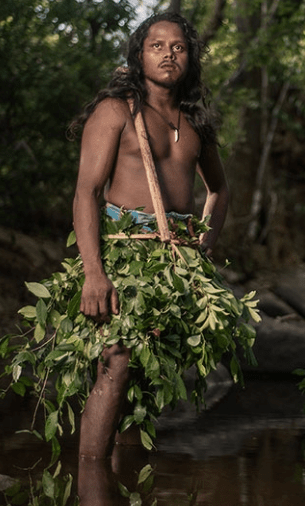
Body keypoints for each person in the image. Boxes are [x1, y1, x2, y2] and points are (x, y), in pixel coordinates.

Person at [69, 12, 230, 459]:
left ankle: (116, 477)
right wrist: (94, 273)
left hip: (176, 262)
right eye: (156, 45)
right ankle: (89, 477)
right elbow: (87, 192)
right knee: (116, 360)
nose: (167, 54)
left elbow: (219, 189)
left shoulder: (196, 121)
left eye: (177, 46)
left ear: (190, 57)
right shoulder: (116, 111)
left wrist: (205, 248)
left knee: (144, 374)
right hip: (125, 252)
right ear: (139, 55)